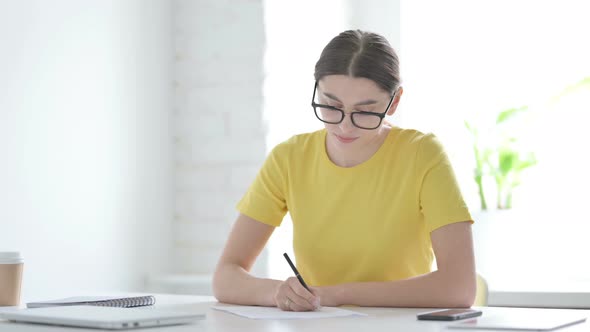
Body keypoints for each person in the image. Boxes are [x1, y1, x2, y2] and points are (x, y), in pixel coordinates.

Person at [213, 30, 476, 311]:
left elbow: (459, 287)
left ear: (394, 101)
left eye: (364, 111)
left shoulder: (422, 154)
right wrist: (278, 292)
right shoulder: (289, 158)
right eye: (331, 105)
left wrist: (338, 295)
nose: (345, 126)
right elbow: (226, 277)